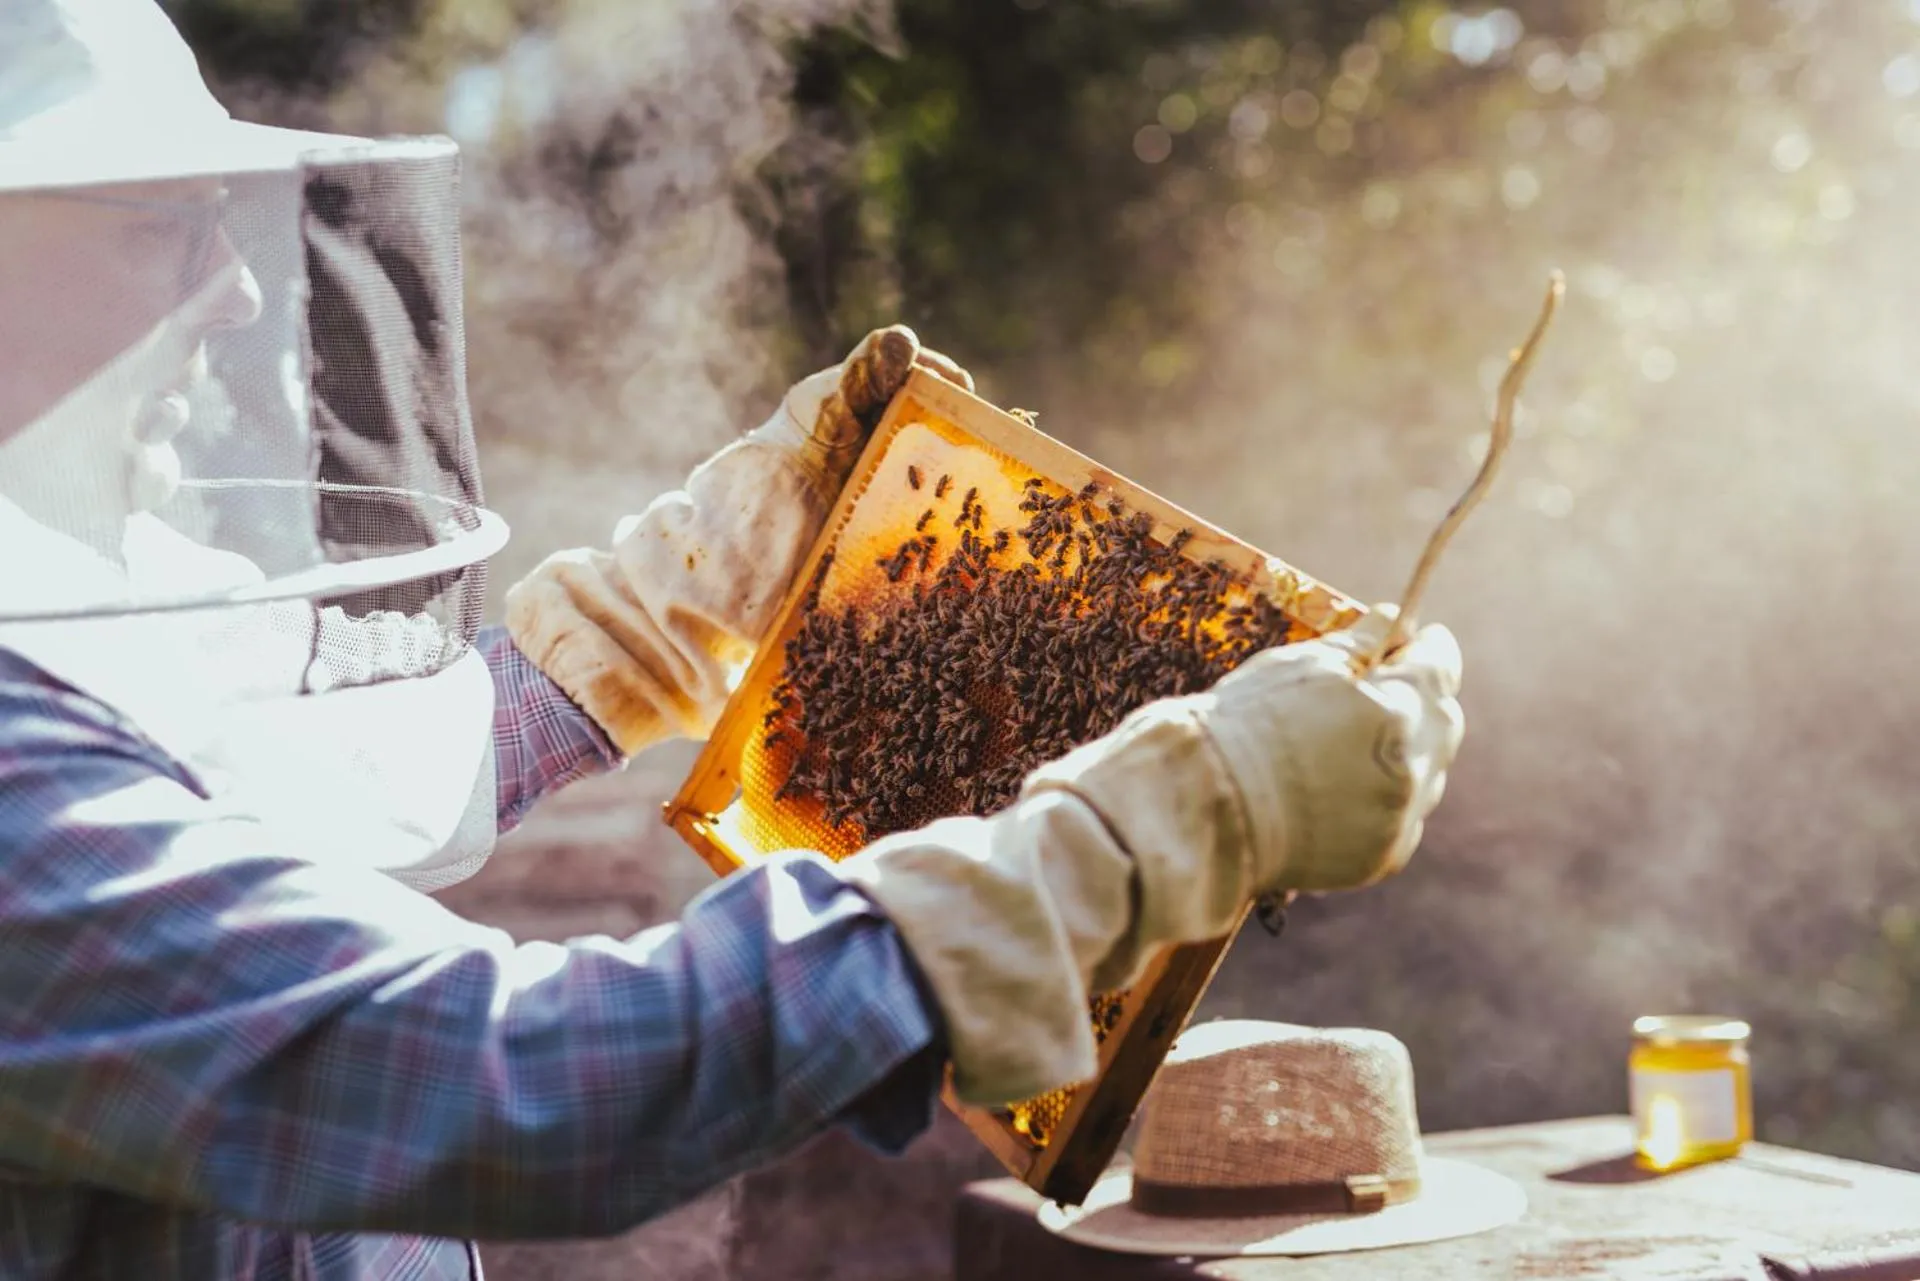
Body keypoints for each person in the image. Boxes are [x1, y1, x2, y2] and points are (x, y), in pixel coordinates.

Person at [0, 1, 1466, 1277]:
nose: (240, 284)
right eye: (161, 222)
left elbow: (310, 789)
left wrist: (656, 615)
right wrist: (1125, 844)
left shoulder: (75, 618)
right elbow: (503, 1081)